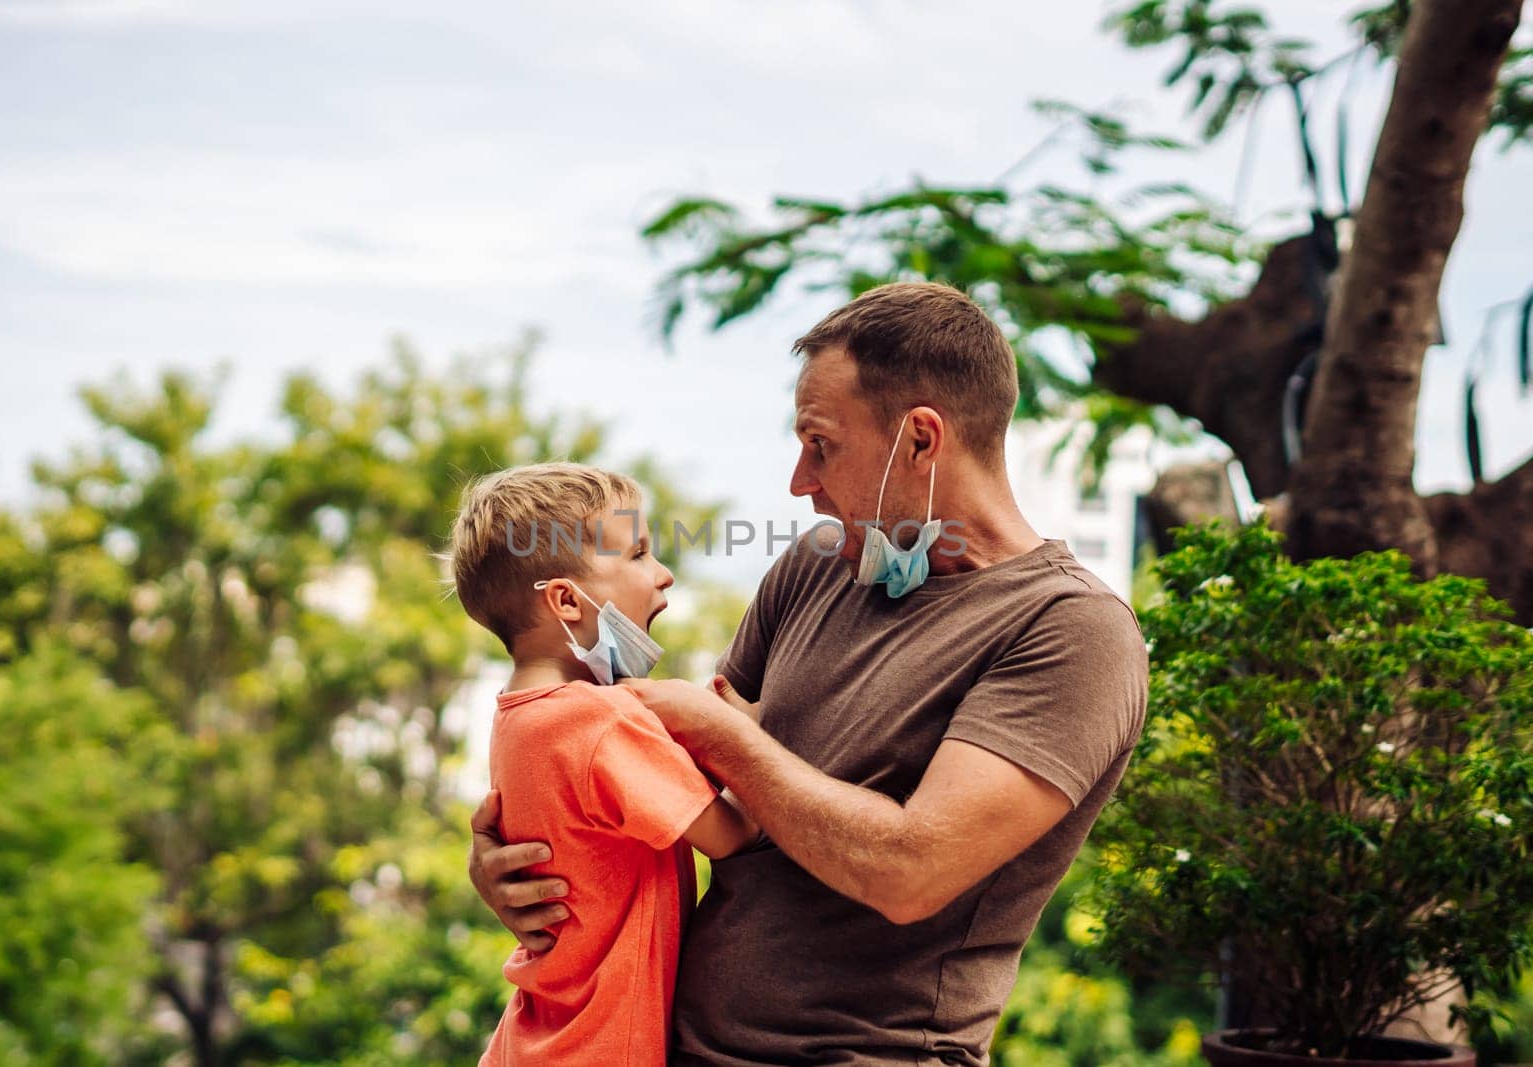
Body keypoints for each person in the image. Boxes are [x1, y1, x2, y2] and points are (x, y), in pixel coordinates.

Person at [470, 283, 1149, 1065]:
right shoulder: (821, 564)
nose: (800, 482)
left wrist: (717, 729)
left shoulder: (1071, 632)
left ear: (921, 440)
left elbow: (909, 869)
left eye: (821, 444)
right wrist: (526, 857)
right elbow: (686, 785)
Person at [450, 462, 757, 1066]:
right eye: (639, 554)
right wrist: (743, 731)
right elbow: (732, 835)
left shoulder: (518, 718)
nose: (664, 574)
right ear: (566, 600)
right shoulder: (600, 720)